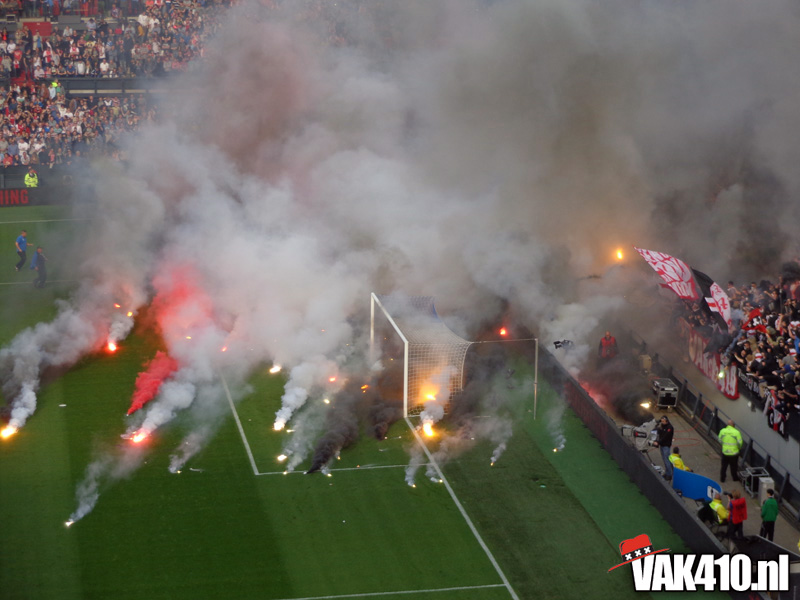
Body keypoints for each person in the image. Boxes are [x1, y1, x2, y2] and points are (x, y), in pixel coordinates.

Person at [653, 415, 675, 480]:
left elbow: (665, 437)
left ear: (666, 421)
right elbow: (659, 433)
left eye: (663, 421)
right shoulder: (662, 426)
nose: (662, 422)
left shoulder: (670, 428)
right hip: (662, 445)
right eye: (661, 421)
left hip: (666, 446)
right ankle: (669, 471)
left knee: (666, 460)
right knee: (665, 459)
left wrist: (658, 442)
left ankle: (669, 474)